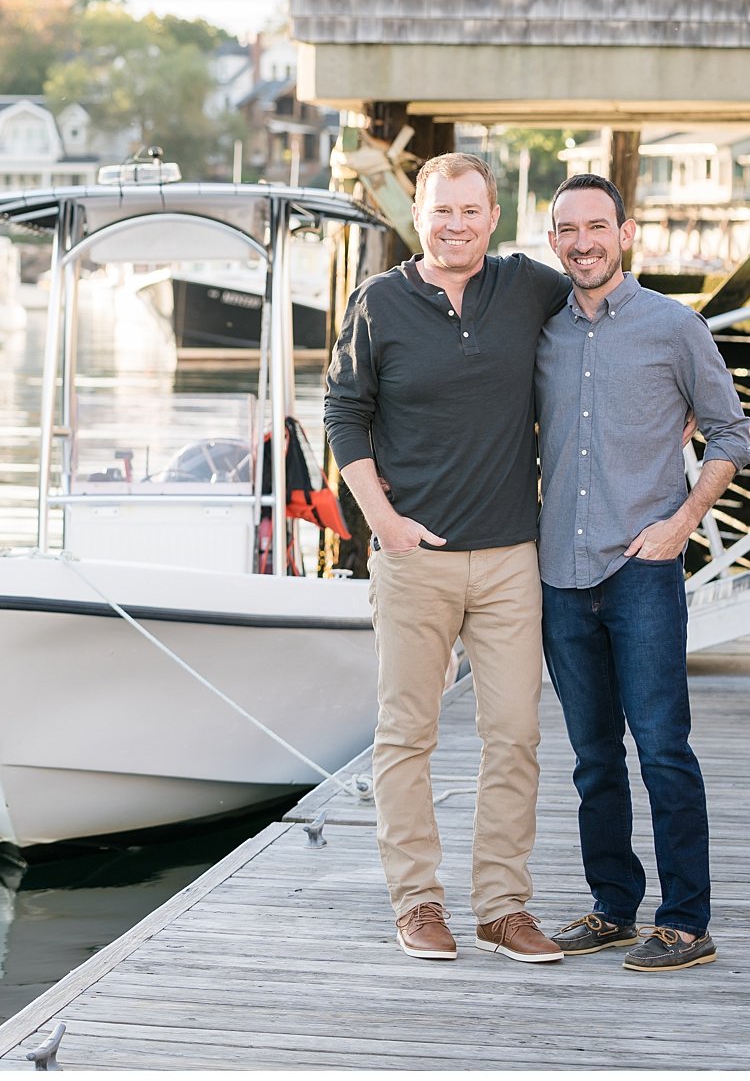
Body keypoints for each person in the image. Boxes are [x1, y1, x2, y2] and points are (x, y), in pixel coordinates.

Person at [324, 151, 571, 963]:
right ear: (417, 216)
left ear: (492, 216)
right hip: (414, 559)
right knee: (407, 736)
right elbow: (344, 411)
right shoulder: (380, 303)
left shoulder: (530, 287)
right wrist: (382, 521)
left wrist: (677, 399)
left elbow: (614, 320)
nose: (455, 225)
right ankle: (419, 903)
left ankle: (503, 907)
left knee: (515, 735)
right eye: (441, 211)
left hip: (509, 559)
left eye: (470, 210)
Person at [535, 173, 750, 972]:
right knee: (593, 756)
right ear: (552, 240)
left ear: (628, 234)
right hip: (560, 570)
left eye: (598, 225)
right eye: (568, 229)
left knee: (662, 747)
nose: (583, 241)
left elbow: (731, 434)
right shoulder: (543, 332)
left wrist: (682, 522)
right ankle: (612, 908)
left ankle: (686, 920)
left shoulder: (675, 326)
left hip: (643, 566)